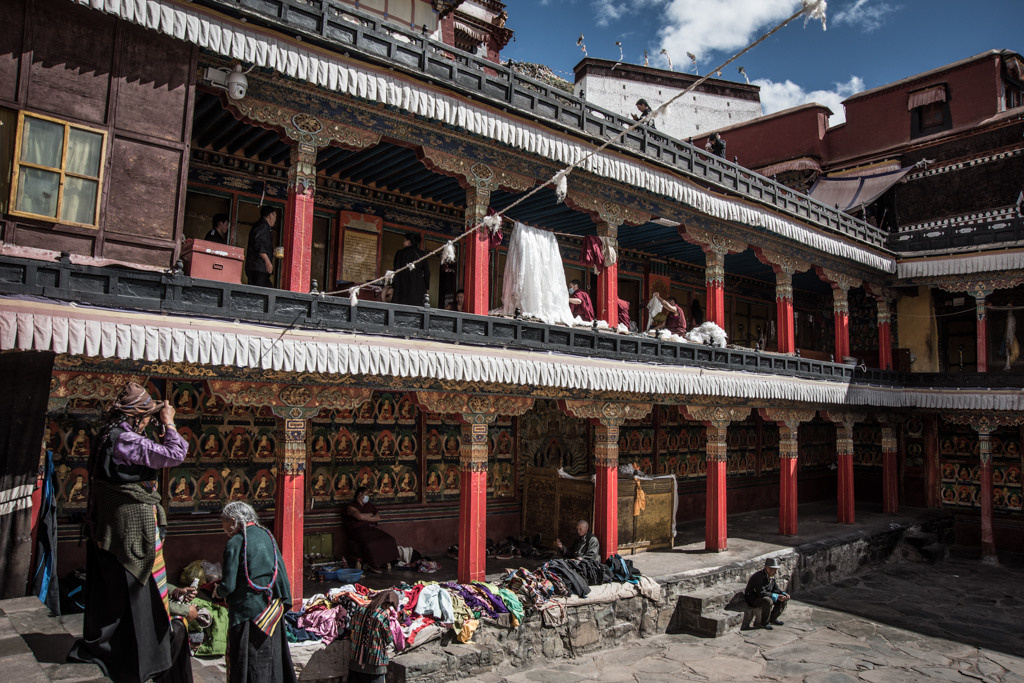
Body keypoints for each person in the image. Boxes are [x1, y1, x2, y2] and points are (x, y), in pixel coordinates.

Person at [68, 382, 188, 683]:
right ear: (135, 415)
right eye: (146, 415)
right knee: (134, 596)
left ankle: (113, 651)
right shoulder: (125, 441)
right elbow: (175, 454)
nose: (149, 420)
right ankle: (140, 660)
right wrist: (170, 424)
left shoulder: (109, 434)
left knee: (114, 599)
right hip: (129, 528)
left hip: (109, 525)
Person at [216, 501, 295, 683]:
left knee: (250, 665)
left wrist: (217, 591)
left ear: (233, 520)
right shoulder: (267, 535)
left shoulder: (235, 542)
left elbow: (228, 586)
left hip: (248, 616)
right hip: (271, 612)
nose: (224, 528)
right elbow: (280, 572)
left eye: (224, 522)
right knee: (272, 660)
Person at [345, 486, 400, 573]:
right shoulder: (351, 506)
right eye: (366, 494)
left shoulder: (369, 505)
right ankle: (372, 564)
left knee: (389, 539)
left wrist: (365, 517)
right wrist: (370, 515)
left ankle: (384, 562)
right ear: (360, 494)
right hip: (358, 530)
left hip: (371, 529)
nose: (368, 497)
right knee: (370, 544)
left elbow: (377, 518)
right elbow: (359, 517)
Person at [743, 557, 790, 630]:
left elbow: (775, 589)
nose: (775, 572)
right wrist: (776, 596)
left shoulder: (771, 577)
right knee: (768, 601)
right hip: (754, 598)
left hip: (764, 595)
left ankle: (773, 619)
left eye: (775, 570)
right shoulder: (759, 577)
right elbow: (761, 592)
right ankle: (765, 623)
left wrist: (783, 594)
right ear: (767, 568)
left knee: (783, 600)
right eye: (773, 569)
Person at [391, 232, 430, 306]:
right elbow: (427, 272)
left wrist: (393, 285)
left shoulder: (400, 253)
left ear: (409, 242)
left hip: (401, 285)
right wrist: (426, 288)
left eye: (404, 240)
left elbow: (395, 270)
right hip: (418, 286)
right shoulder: (422, 254)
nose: (403, 242)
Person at [245, 206, 277, 288]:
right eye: (275, 216)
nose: (275, 219)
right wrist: (267, 261)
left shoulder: (261, 226)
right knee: (263, 292)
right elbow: (259, 244)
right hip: (258, 268)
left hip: (257, 268)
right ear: (270, 215)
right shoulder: (263, 226)